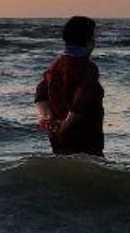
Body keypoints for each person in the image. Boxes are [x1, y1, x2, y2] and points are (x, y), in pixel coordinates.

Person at [34, 16, 105, 156]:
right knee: (89, 165)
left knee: (63, 161)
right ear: (89, 42)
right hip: (83, 132)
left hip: (57, 133)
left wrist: (48, 117)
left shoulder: (57, 65)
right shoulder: (88, 68)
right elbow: (82, 99)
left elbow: (41, 92)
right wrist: (66, 124)